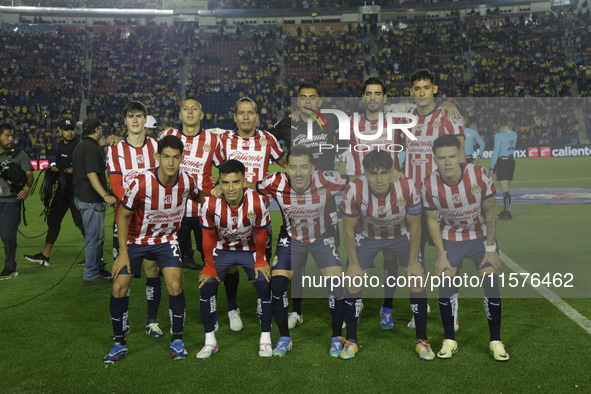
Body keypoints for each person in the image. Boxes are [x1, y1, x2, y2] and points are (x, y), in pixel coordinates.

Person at [104, 135, 202, 363]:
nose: (170, 162)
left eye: (175, 157)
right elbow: (122, 216)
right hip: (136, 241)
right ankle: (119, 343)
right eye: (166, 157)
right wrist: (123, 253)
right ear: (158, 157)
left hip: (166, 240)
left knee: (175, 284)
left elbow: (202, 196)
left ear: (182, 158)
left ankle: (177, 340)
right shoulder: (141, 182)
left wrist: (216, 195)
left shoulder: (187, 181)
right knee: (119, 286)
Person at [256, 146, 355, 359]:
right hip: (291, 239)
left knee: (336, 284)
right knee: (278, 285)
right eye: (293, 167)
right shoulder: (275, 182)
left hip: (321, 237)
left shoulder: (327, 178)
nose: (298, 172)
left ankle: (337, 337)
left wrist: (391, 174)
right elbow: (248, 186)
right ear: (286, 168)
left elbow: (356, 179)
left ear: (312, 168)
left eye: (303, 167)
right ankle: (284, 339)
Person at [421, 134, 509, 362]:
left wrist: (491, 248)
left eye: (452, 156)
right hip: (451, 236)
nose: (447, 162)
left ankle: (495, 341)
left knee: (491, 282)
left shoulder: (479, 176)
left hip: (481, 237)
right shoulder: (428, 184)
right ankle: (449, 340)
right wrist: (441, 255)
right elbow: (431, 220)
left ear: (460, 155)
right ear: (435, 159)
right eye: (442, 158)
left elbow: (491, 211)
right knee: (445, 281)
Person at [341, 150, 434, 360]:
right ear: (365, 173)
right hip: (367, 235)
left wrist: (412, 262)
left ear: (392, 171)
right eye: (373, 173)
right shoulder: (354, 189)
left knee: (416, 278)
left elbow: (416, 226)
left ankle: (422, 341)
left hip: (401, 234)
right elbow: (347, 229)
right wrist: (354, 264)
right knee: (353, 280)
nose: (380, 179)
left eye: (384, 172)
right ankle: (351, 340)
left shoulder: (408, 186)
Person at [267, 83, 339, 330]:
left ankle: (338, 306)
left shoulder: (333, 120)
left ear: (321, 101)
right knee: (295, 264)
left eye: (313, 98)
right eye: (303, 98)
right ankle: (296, 311)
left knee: (331, 257)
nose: (308, 102)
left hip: (324, 197)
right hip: (296, 195)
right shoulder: (288, 123)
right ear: (297, 102)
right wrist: (284, 163)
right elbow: (263, 139)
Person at [215, 97, 286, 331]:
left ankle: (261, 302)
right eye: (241, 113)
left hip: (260, 213)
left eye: (250, 113)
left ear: (257, 116)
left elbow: (287, 163)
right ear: (234, 117)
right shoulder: (224, 140)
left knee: (261, 261)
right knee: (232, 263)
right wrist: (215, 186)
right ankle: (233, 308)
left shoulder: (268, 139)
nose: (246, 117)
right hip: (228, 213)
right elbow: (210, 165)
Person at [402, 69, 465, 331]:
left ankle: (452, 310)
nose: (421, 93)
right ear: (411, 92)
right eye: (416, 88)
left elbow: (460, 156)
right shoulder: (404, 118)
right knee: (415, 255)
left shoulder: (448, 116)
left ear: (434, 90)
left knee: (447, 255)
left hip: (441, 198)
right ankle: (420, 308)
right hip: (412, 199)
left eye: (426, 87)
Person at [197, 160, 272, 359]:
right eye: (226, 183)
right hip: (222, 249)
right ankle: (210, 341)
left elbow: (262, 233)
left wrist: (261, 260)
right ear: (219, 184)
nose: (231, 188)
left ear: (244, 182)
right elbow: (207, 237)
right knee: (207, 285)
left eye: (236, 182)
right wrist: (209, 266)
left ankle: (265, 339)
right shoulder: (209, 203)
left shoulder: (257, 201)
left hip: (249, 248)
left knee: (264, 283)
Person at [106, 101, 163, 338]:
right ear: (125, 121)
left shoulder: (157, 146)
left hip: (151, 221)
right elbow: (116, 183)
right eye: (131, 116)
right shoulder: (115, 149)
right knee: (123, 274)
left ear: (145, 119)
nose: (135, 120)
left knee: (152, 270)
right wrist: (134, 202)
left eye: (139, 116)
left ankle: (152, 321)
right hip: (126, 220)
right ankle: (124, 320)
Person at [160, 98, 223, 271]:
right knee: (170, 258)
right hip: (174, 209)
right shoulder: (168, 136)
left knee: (210, 256)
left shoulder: (213, 140)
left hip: (203, 207)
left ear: (201, 114)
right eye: (185, 109)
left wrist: (219, 185)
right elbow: (152, 156)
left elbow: (224, 167)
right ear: (180, 114)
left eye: (194, 108)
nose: (189, 112)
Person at [25, 118, 85, 267]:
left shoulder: (79, 145)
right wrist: (53, 176)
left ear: (75, 130)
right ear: (60, 131)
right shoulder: (60, 145)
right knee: (53, 220)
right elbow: (60, 167)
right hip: (62, 190)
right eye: (66, 130)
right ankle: (45, 256)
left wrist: (57, 170)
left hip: (75, 191)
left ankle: (96, 256)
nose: (69, 132)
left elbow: (78, 169)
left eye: (71, 129)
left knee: (81, 222)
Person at [73, 117, 117, 285]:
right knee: (94, 238)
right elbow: (91, 174)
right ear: (97, 130)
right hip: (90, 198)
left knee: (96, 236)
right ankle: (91, 274)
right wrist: (105, 195)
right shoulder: (91, 149)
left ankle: (97, 267)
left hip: (81, 197)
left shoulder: (80, 146)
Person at [0, 123, 33, 280]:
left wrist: (27, 188)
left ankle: (10, 267)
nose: (10, 138)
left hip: (11, 201)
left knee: (7, 235)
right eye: (7, 135)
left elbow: (29, 174)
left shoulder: (19, 153)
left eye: (12, 135)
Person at [490, 115, 517, 220]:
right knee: (505, 188)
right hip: (511, 161)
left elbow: (496, 151)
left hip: (502, 162)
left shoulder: (498, 135)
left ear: (499, 124)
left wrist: (492, 167)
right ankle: (506, 211)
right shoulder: (514, 134)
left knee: (505, 190)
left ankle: (507, 213)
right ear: (509, 123)